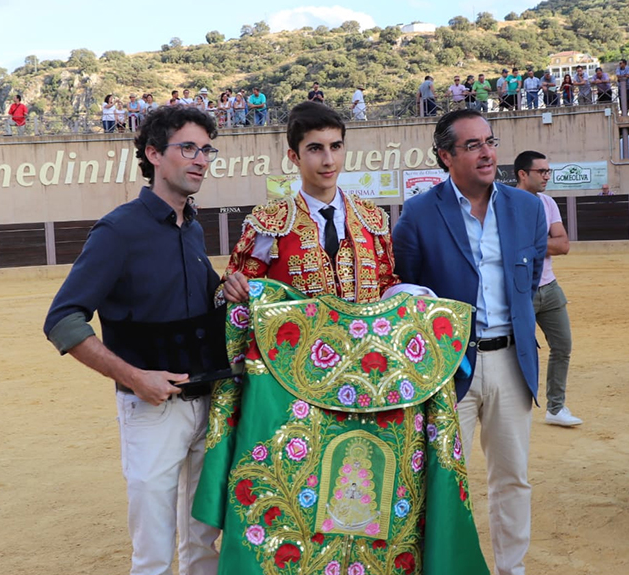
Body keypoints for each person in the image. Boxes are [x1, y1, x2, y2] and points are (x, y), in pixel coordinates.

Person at [194, 101, 491, 575]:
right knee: (301, 496)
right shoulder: (267, 223)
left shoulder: (373, 220)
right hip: (294, 389)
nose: (327, 160)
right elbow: (237, 294)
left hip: (369, 383)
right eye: (314, 149)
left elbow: (384, 286)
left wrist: (407, 294)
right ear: (293, 156)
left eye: (335, 147)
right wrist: (230, 290)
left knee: (373, 492)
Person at [43, 105, 222, 575]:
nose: (200, 159)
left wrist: (228, 289)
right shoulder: (119, 230)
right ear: (153, 154)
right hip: (152, 412)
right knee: (154, 554)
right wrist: (134, 377)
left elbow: (199, 305)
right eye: (188, 147)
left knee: (203, 543)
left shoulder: (193, 228)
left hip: (207, 401)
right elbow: (63, 320)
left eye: (206, 150)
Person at [392, 109, 547, 575]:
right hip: (447, 369)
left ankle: (511, 569)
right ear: (446, 156)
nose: (486, 152)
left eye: (490, 141)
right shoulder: (419, 213)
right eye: (473, 145)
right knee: (438, 480)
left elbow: (531, 277)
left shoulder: (527, 208)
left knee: (512, 479)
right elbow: (408, 287)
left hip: (511, 363)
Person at [514, 151, 582, 428]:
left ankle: (555, 407)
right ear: (523, 174)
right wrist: (541, 243)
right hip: (520, 291)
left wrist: (528, 244)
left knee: (562, 346)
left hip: (549, 286)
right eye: (541, 171)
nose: (546, 176)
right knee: (518, 352)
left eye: (548, 171)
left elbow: (563, 245)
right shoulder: (506, 202)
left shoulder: (547, 202)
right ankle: (516, 411)